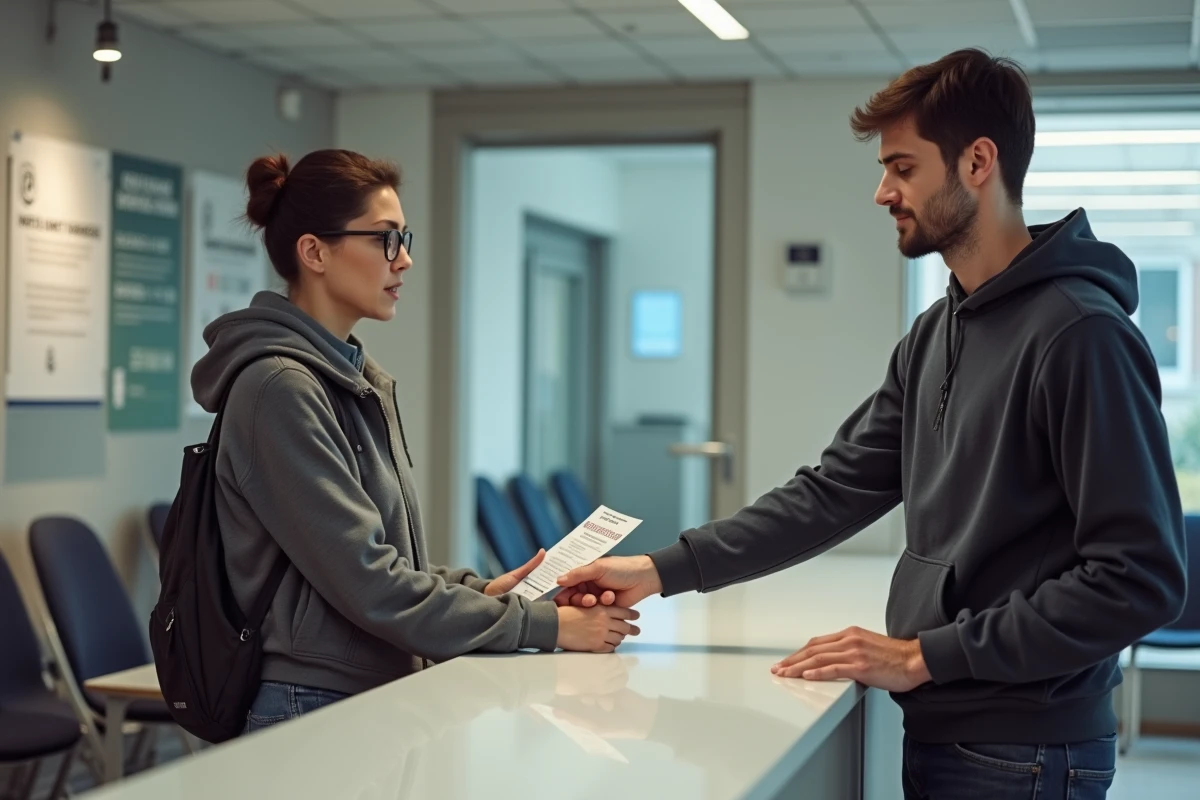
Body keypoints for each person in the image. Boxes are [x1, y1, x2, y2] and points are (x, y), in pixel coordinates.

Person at [555, 49, 1187, 798]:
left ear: (978, 162)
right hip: (950, 729)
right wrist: (658, 571)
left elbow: (1140, 577)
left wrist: (927, 655)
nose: (883, 190)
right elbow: (830, 493)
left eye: (904, 167)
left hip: (1027, 748)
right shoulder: (935, 332)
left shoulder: (1082, 335)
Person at [191, 149, 639, 734]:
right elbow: (370, 584)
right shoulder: (280, 387)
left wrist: (482, 593)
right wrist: (541, 625)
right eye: (384, 239)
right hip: (313, 703)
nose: (404, 260)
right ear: (314, 251)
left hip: (361, 689)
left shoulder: (351, 376)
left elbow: (386, 562)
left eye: (405, 238)